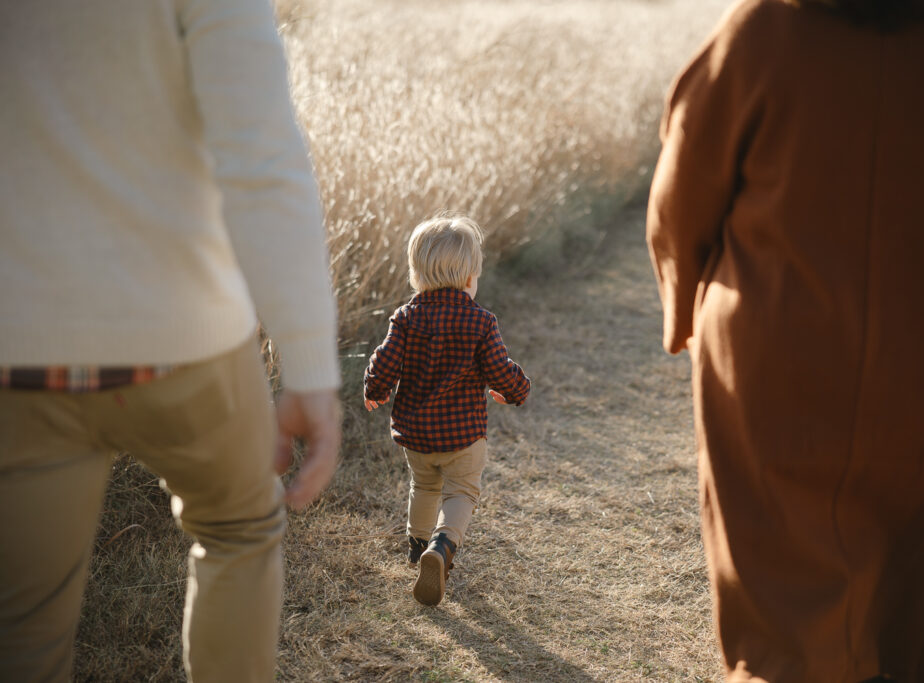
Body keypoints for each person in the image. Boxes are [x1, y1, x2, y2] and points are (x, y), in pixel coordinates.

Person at [646, 0, 924, 681]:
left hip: (781, 381)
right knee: (922, 624)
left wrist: (681, 313)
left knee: (787, 644)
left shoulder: (763, 30)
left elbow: (682, 194)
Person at [0, 0, 341, 681]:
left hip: (18, 350)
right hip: (188, 339)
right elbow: (262, 158)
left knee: (22, 628)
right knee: (238, 531)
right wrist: (309, 364)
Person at [364, 215, 531, 606]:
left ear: (416, 275)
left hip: (416, 436)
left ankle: (416, 545)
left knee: (423, 487)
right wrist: (517, 391)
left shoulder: (405, 318)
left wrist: (375, 387)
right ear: (471, 277)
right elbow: (499, 370)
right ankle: (440, 548)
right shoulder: (481, 322)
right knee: (461, 493)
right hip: (463, 435)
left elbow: (384, 360)